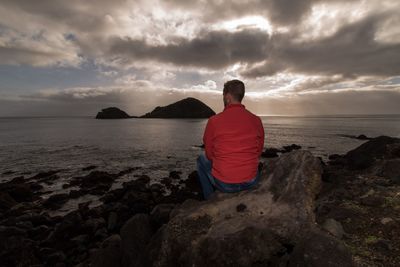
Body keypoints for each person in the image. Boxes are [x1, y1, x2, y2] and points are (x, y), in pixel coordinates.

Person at [196, 79, 265, 200]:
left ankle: (210, 199)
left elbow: (209, 154)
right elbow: (258, 152)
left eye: (223, 96)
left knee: (201, 159)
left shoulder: (214, 121)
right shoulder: (256, 120)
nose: (223, 99)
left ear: (227, 97)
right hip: (251, 181)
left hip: (225, 184)